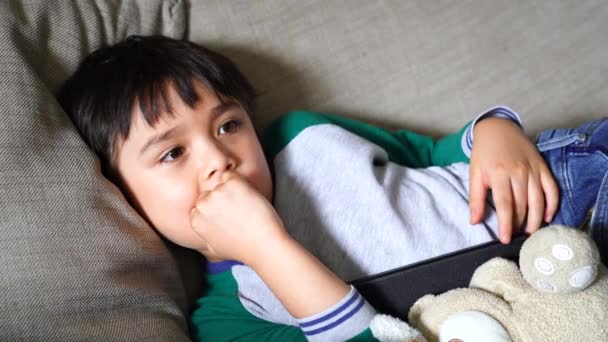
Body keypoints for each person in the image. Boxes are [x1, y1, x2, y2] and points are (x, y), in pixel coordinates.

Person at [58, 35, 607, 341]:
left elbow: (428, 154)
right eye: (173, 153)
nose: (219, 160)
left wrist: (494, 128)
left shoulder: (303, 139)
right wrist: (266, 248)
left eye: (228, 125)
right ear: (123, 198)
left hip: (566, 185)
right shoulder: (230, 320)